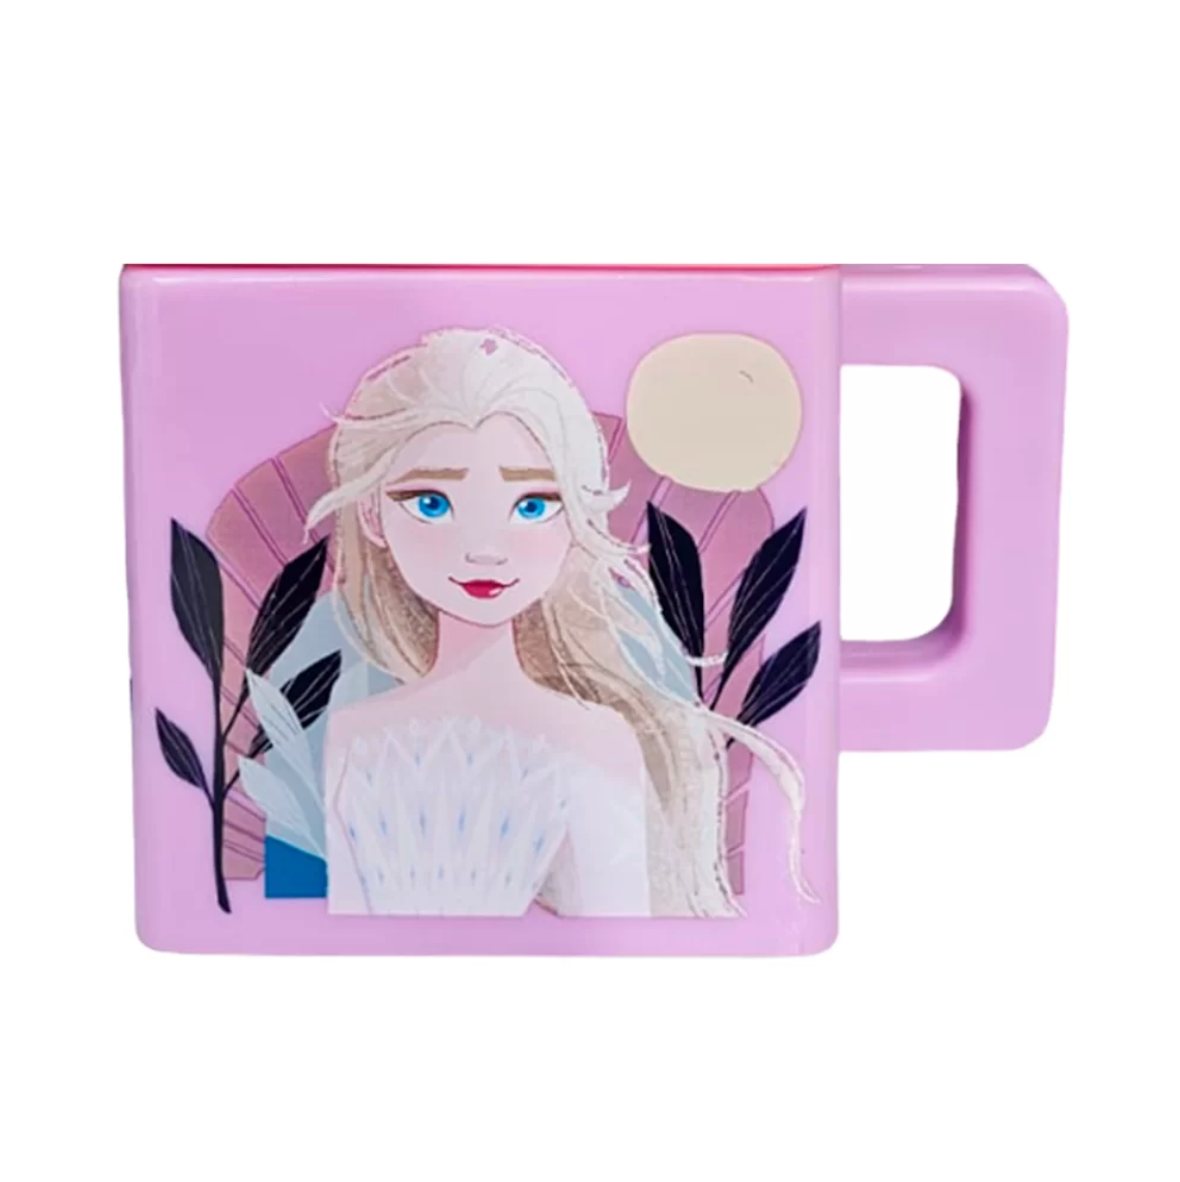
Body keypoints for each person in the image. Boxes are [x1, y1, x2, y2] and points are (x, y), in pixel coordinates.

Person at [308, 327, 806, 916]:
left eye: (533, 505)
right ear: (371, 515)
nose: (485, 549)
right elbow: (342, 930)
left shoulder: (594, 738)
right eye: (432, 503)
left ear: (576, 515)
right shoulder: (352, 736)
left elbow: (620, 935)